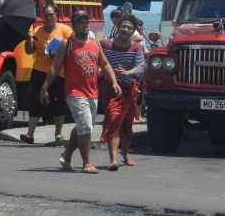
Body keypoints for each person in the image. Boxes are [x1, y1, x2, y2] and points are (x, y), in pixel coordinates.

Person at [39, 10, 121, 174]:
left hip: (92, 92)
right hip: (74, 91)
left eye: (86, 21)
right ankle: (87, 163)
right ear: (74, 25)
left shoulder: (95, 43)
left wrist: (114, 82)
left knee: (85, 125)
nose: (84, 24)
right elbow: (55, 67)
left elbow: (104, 64)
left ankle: (67, 153)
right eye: (80, 22)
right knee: (85, 125)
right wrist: (45, 87)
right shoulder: (66, 43)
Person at [20, 4, 73, 144]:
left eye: (51, 15)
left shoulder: (65, 30)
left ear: (57, 16)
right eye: (46, 15)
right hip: (39, 71)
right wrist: (28, 38)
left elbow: (72, 49)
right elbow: (29, 51)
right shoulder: (37, 31)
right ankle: (30, 134)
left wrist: (57, 53)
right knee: (36, 102)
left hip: (58, 72)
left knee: (58, 102)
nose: (48, 18)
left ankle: (58, 133)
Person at [99, 14, 146, 170]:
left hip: (129, 90)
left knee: (127, 124)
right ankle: (113, 159)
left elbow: (141, 67)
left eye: (129, 28)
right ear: (117, 27)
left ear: (133, 31)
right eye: (123, 26)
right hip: (111, 89)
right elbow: (95, 58)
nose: (126, 30)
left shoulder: (136, 47)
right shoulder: (104, 44)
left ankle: (125, 154)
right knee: (113, 119)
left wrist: (129, 72)